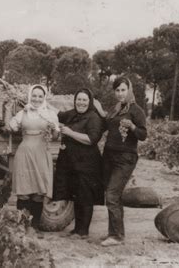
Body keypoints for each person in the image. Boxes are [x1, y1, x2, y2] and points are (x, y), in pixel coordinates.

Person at [96, 77, 147, 247]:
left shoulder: (136, 110)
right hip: (109, 155)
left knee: (111, 194)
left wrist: (132, 126)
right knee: (113, 196)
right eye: (117, 90)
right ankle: (115, 233)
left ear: (129, 90)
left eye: (123, 90)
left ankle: (117, 236)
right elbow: (106, 124)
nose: (120, 94)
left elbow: (143, 135)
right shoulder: (115, 109)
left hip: (125, 158)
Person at [52, 88, 104, 239]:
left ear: (90, 102)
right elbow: (58, 114)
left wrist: (70, 133)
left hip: (87, 163)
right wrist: (41, 104)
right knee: (77, 195)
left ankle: (83, 231)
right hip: (73, 162)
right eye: (78, 99)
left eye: (84, 100)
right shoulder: (72, 113)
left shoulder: (93, 118)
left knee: (85, 196)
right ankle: (77, 229)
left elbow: (91, 139)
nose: (81, 102)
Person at [9, 84, 59, 230]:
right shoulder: (23, 113)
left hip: (41, 153)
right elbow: (12, 126)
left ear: (44, 98)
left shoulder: (50, 114)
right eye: (34, 96)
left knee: (38, 192)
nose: (37, 99)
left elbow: (56, 136)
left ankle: (35, 226)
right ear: (30, 97)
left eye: (40, 96)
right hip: (24, 153)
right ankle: (22, 225)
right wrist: (11, 122)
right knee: (23, 192)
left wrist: (54, 129)